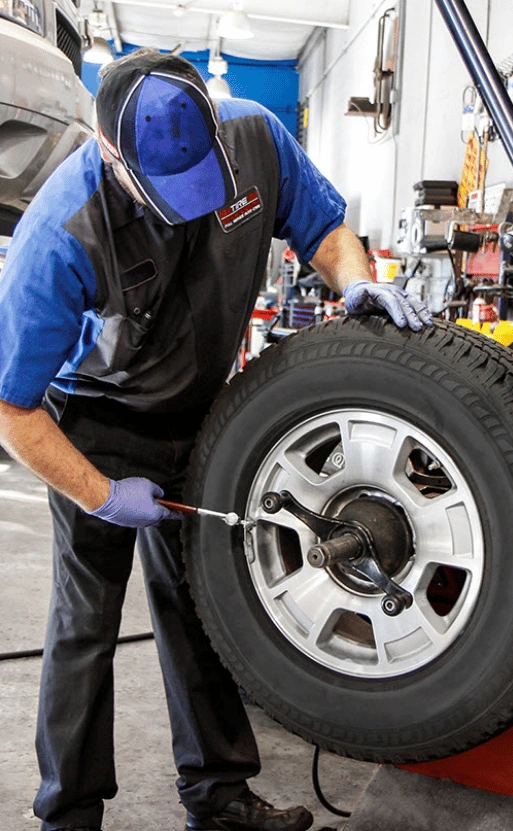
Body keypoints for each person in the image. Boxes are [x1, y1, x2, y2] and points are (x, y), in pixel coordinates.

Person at [0, 48, 431, 831]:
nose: (193, 205)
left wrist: (355, 276)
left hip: (208, 416)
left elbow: (325, 227)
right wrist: (102, 493)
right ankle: (69, 814)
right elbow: (10, 408)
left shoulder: (256, 137)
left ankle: (220, 795)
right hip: (99, 429)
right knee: (85, 627)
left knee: (203, 609)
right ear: (108, 152)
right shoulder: (60, 235)